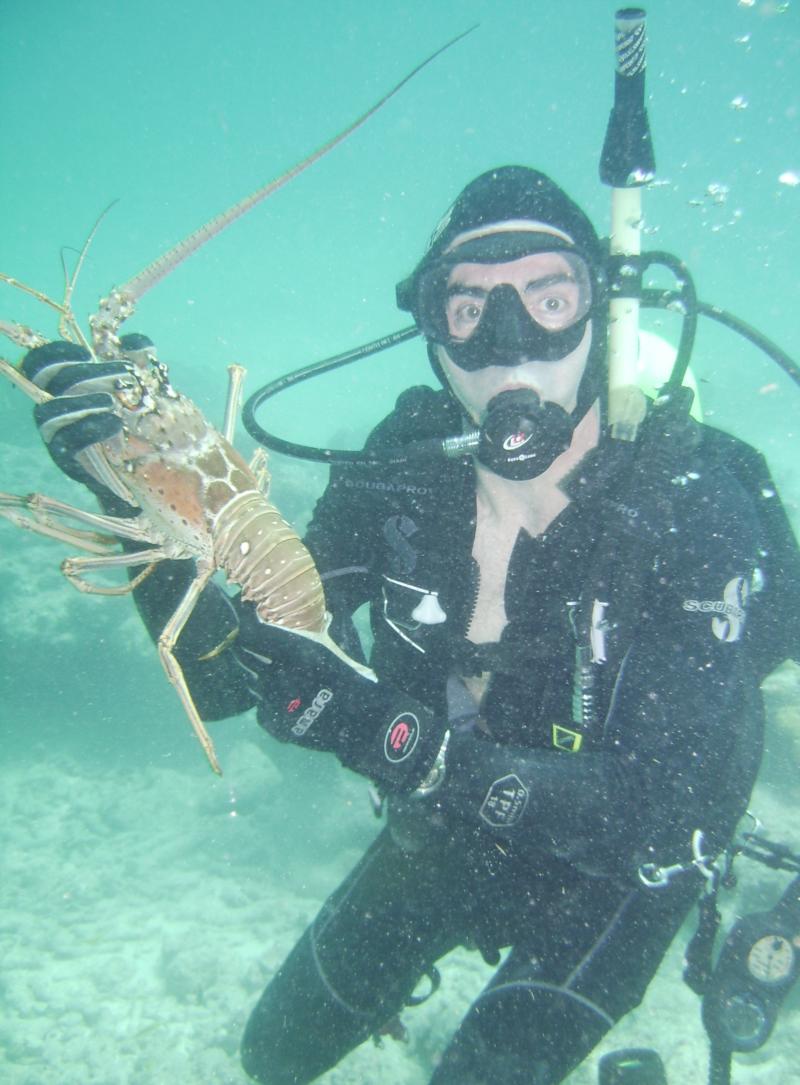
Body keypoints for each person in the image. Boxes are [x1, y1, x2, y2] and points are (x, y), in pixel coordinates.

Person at [21, 166, 800, 1084]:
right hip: (446, 833)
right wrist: (138, 499)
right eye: (469, 307)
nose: (512, 343)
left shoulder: (697, 496)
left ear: (605, 309)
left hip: (619, 881)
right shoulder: (400, 473)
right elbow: (230, 679)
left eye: (549, 295)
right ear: (429, 325)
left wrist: (400, 745)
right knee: (272, 1054)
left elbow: (666, 809)